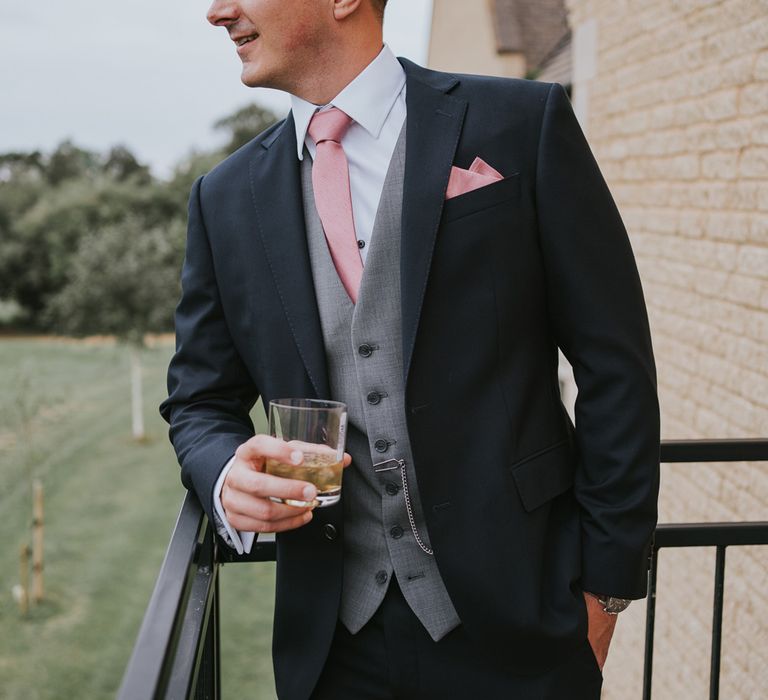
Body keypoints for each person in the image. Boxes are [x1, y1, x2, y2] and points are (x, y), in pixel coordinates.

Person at [160, 1, 660, 698]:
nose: (218, 11)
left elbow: (617, 367)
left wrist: (605, 592)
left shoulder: (521, 125)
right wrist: (223, 475)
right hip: (335, 649)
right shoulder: (225, 197)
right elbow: (198, 401)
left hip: (525, 627)